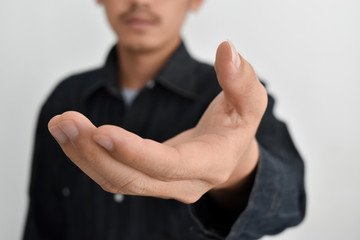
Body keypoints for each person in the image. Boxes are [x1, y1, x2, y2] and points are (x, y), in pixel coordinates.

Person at [23, 0, 306, 239]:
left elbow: (290, 202)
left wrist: (237, 171)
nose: (141, 3)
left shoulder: (228, 100)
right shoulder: (65, 98)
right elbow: (42, 222)